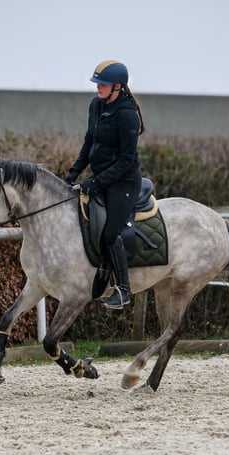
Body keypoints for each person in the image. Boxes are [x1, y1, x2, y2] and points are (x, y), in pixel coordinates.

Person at [65, 60, 146, 309]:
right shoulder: (96, 105)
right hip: (101, 177)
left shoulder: (127, 115)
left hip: (124, 182)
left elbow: (126, 160)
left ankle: (123, 290)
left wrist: (96, 181)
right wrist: (72, 174)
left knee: (110, 233)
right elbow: (89, 142)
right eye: (97, 83)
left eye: (103, 84)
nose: (98, 88)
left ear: (118, 87)